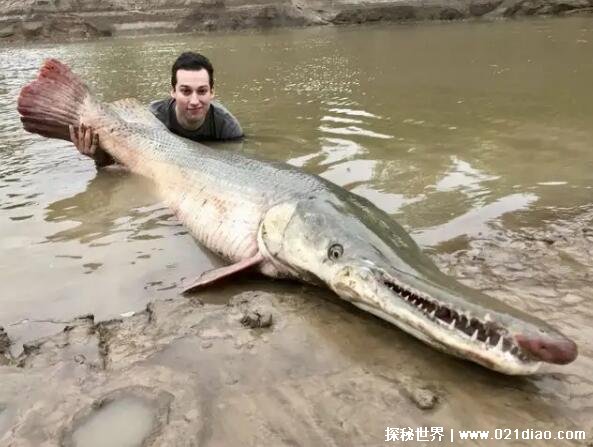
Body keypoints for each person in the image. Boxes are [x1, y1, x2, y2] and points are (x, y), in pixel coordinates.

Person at [69, 52, 243, 167]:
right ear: (173, 91)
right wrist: (98, 157)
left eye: (202, 91)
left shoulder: (228, 128)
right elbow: (125, 164)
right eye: (186, 91)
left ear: (212, 92)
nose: (194, 101)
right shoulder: (152, 117)